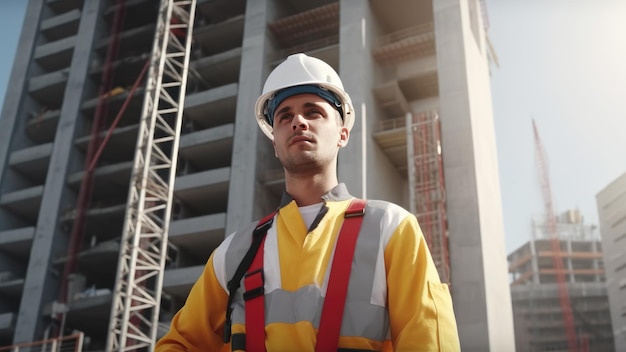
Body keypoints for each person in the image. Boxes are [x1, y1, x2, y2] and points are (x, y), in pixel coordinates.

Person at [156, 53, 460, 351]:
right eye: (285, 116)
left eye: (313, 111)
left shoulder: (391, 229)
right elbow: (179, 345)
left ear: (342, 133)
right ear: (274, 142)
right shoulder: (233, 254)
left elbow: (429, 341)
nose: (298, 121)